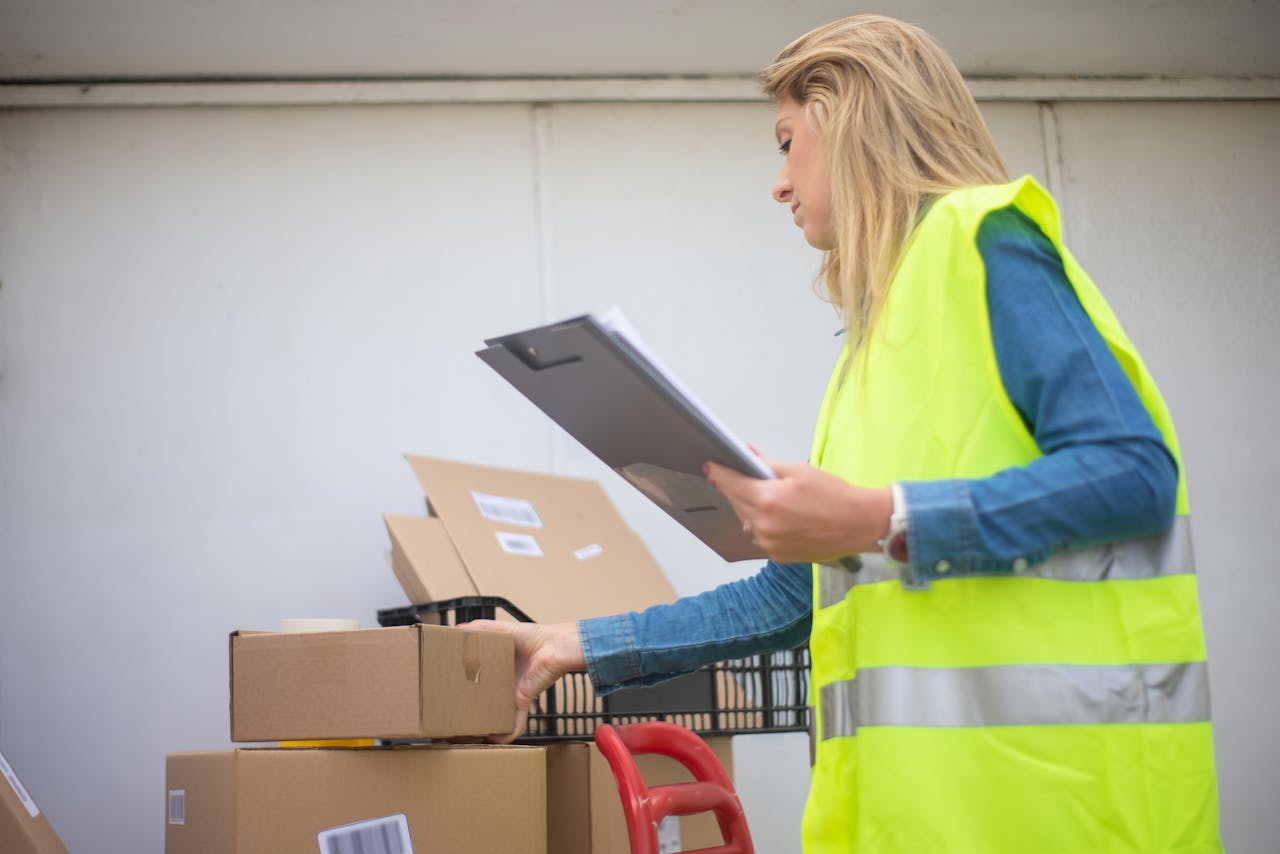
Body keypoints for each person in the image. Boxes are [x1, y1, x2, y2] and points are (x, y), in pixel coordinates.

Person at [469, 14, 1222, 853]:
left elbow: (1133, 473)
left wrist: (877, 517)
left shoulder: (986, 239)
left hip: (1065, 818)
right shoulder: (874, 347)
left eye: (788, 142)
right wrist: (571, 642)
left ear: (852, 118)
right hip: (918, 825)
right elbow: (799, 593)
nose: (779, 184)